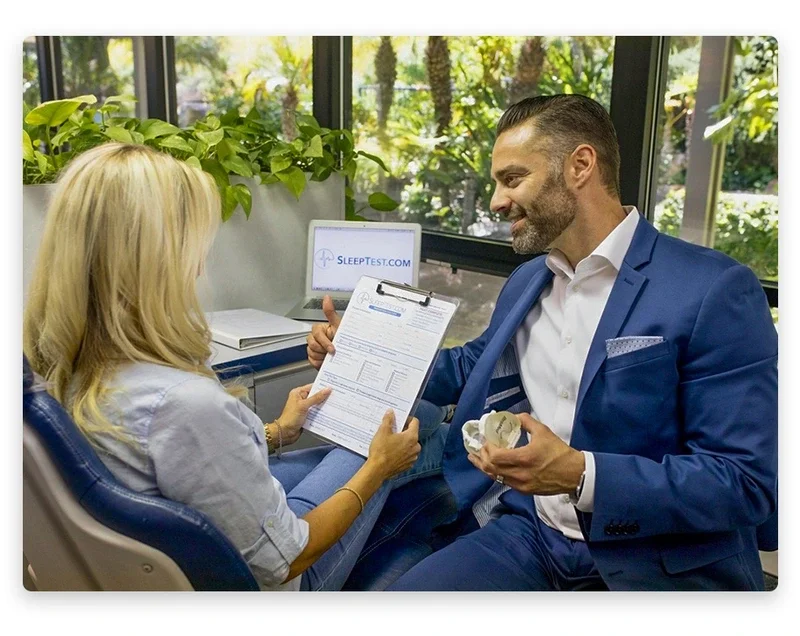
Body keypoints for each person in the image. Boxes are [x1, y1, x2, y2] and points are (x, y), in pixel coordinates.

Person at [306, 94, 778, 591]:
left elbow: (746, 482)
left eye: (513, 179)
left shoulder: (712, 290)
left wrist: (580, 474)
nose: (495, 202)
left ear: (580, 165)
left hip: (655, 558)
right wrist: (356, 353)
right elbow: (472, 364)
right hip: (530, 534)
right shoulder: (529, 280)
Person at [23, 142, 449, 592]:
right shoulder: (183, 404)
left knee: (414, 426)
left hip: (188, 549)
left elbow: (176, 462)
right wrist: (378, 467)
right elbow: (288, 560)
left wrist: (277, 431)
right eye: (195, 245)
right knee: (411, 429)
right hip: (283, 579)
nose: (201, 264)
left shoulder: (55, 363)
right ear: (157, 259)